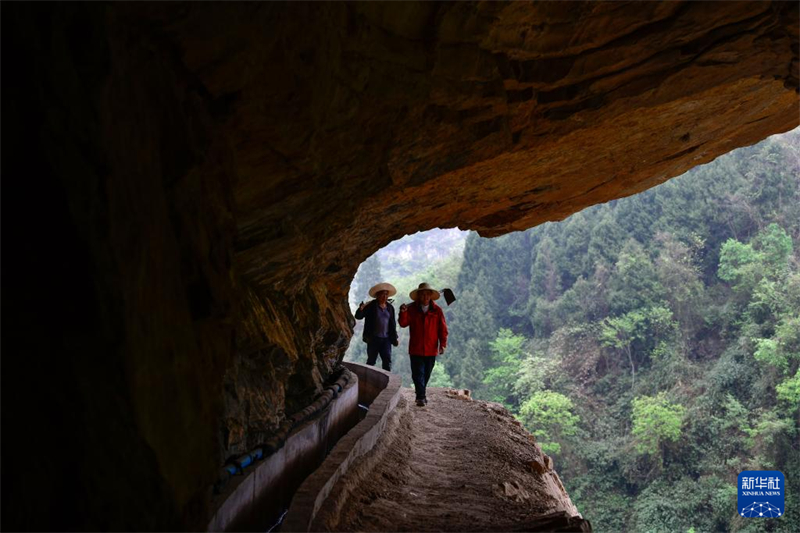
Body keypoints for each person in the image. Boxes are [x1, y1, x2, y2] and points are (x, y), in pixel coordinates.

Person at [398, 282, 448, 407]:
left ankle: (420, 391)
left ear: (430, 296)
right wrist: (403, 312)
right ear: (419, 296)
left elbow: (443, 329)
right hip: (416, 348)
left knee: (426, 374)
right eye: (423, 294)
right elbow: (403, 323)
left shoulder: (437, 311)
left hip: (431, 348)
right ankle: (421, 397)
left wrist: (442, 344)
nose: (425, 297)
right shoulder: (412, 309)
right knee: (417, 373)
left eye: (427, 294)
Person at [354, 282, 399, 371]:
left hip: (386, 339)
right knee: (371, 361)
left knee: (387, 361)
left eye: (386, 294)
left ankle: (387, 383)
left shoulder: (390, 308)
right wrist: (360, 309)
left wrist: (395, 338)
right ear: (377, 295)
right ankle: (368, 380)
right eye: (382, 294)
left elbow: (393, 324)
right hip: (373, 338)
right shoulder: (370, 306)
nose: (384, 296)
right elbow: (358, 316)